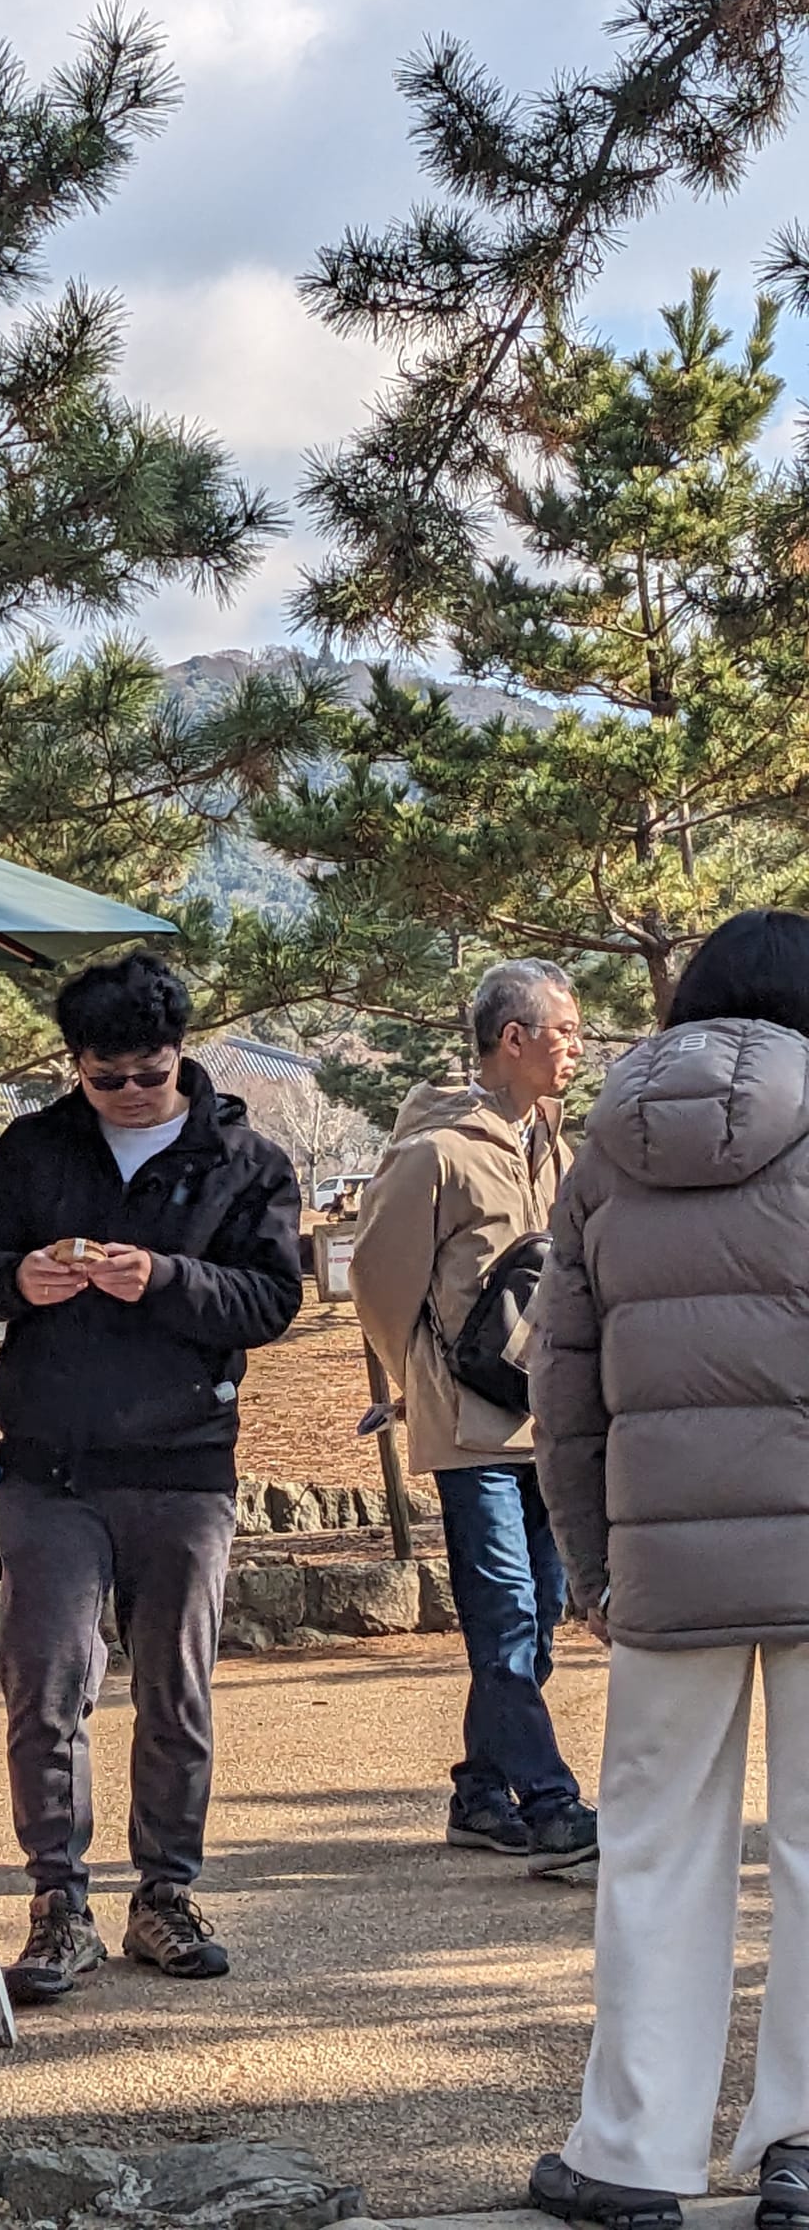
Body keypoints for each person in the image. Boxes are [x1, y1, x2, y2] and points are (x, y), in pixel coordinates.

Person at [0, 951, 304, 2004]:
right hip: (46, 1464)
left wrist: (163, 1278)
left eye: (150, 1073)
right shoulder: (33, 1147)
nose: (132, 1093)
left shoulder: (244, 1160)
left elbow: (272, 1301)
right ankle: (57, 1901)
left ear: (180, 1054)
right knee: (45, 1685)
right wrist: (19, 1279)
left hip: (182, 1464)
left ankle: (166, 1892)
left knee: (174, 1688)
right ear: (75, 1065)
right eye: (106, 1079)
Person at [527, 910, 809, 2230]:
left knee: (651, 1847)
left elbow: (560, 1380)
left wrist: (591, 1559)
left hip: (663, 1556)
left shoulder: (604, 1149)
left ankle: (632, 2153)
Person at [349, 960, 597, 1871]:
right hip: (469, 1430)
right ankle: (551, 1801)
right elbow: (378, 1283)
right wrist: (421, 1381)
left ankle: (481, 1793)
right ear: (513, 1039)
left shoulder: (557, 1148)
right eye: (565, 1031)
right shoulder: (435, 1154)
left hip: (547, 1423)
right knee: (504, 1617)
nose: (577, 1048)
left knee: (539, 1618)